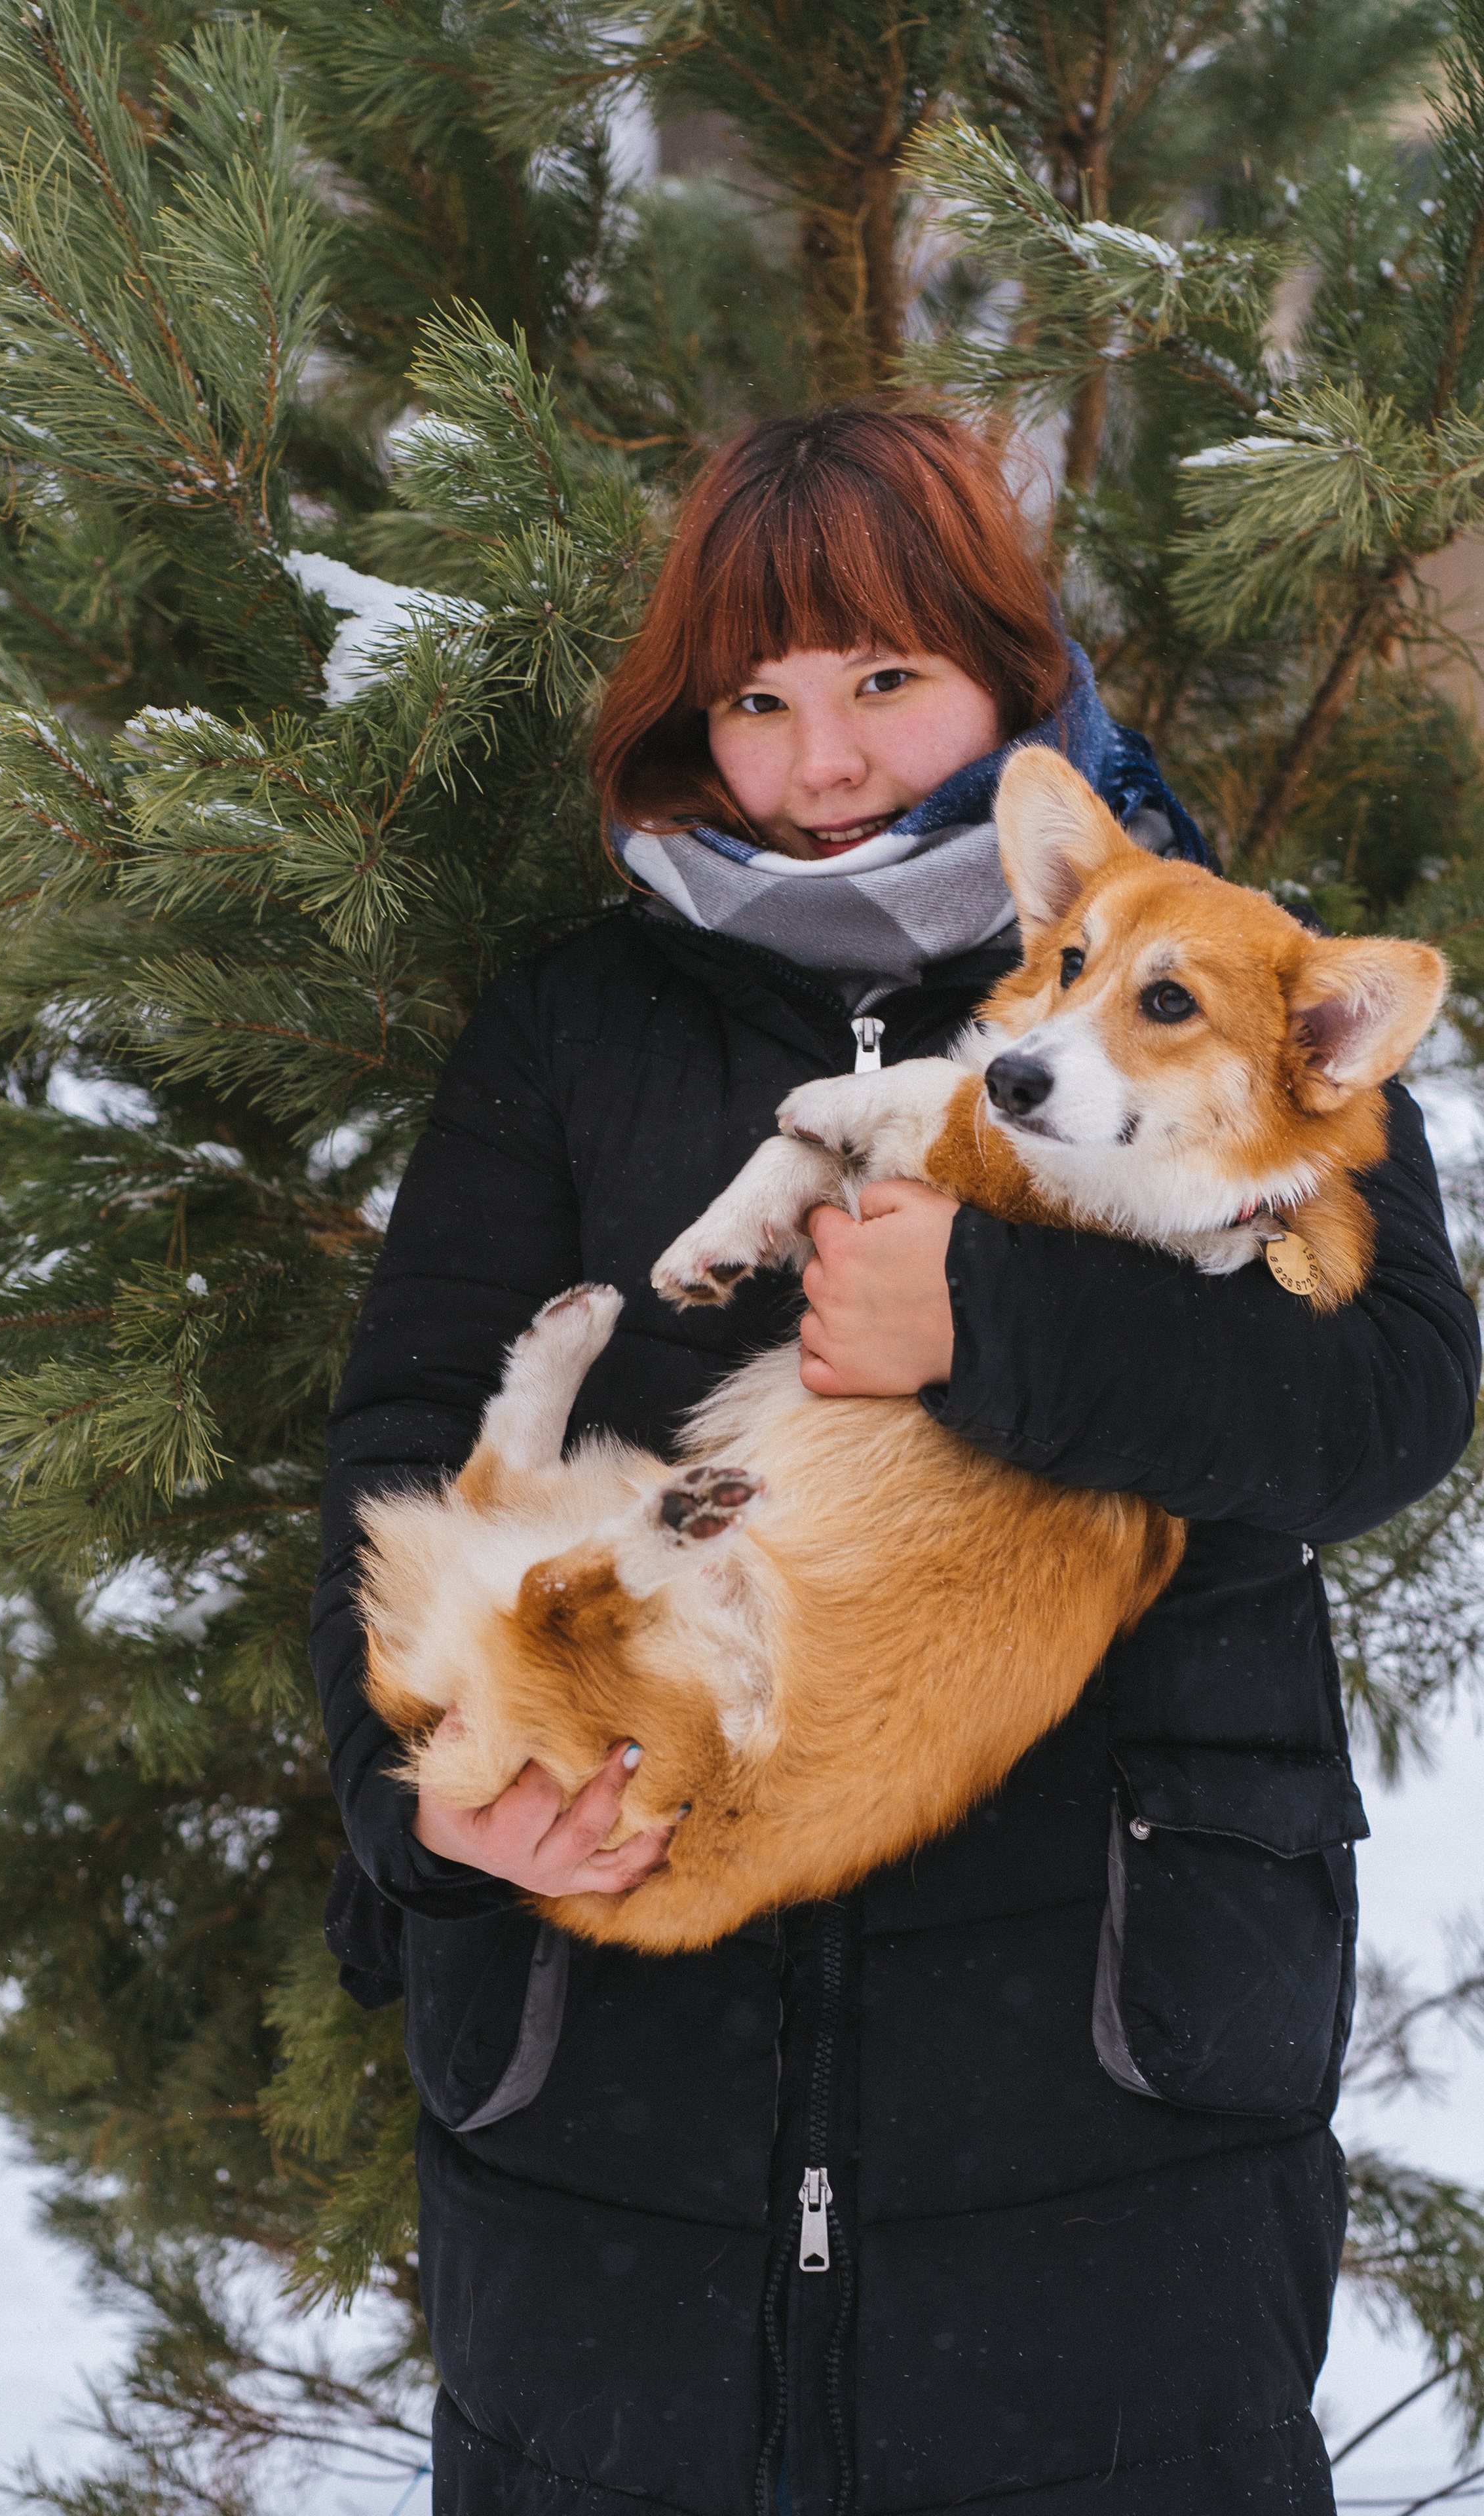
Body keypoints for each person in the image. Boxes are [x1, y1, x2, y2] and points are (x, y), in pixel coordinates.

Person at [309, 407, 1480, 2516]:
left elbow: (1388, 1399)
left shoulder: (1216, 973)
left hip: (1109, 2065)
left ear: (1012, 680)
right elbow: (404, 1432)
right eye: (753, 701)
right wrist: (429, 1817)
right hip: (621, 2101)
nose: (819, 764)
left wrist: (1001, 1332)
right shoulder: (580, 1023)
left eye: (880, 682)